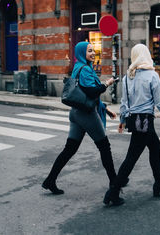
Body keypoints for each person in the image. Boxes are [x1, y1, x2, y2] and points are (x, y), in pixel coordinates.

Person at [42, 41, 124, 194]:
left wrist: (105, 109)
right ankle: (115, 183)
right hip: (86, 114)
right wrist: (107, 83)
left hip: (76, 113)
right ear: (81, 53)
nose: (93, 53)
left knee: (69, 149)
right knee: (104, 147)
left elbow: (84, 95)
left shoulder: (78, 67)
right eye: (89, 51)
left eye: (93, 50)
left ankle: (50, 180)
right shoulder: (85, 69)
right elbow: (92, 92)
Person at [103, 43, 160, 206]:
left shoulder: (128, 77)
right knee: (131, 158)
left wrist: (122, 120)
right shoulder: (152, 76)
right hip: (145, 122)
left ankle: (159, 184)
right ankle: (113, 192)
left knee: (155, 147)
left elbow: (124, 102)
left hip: (135, 120)